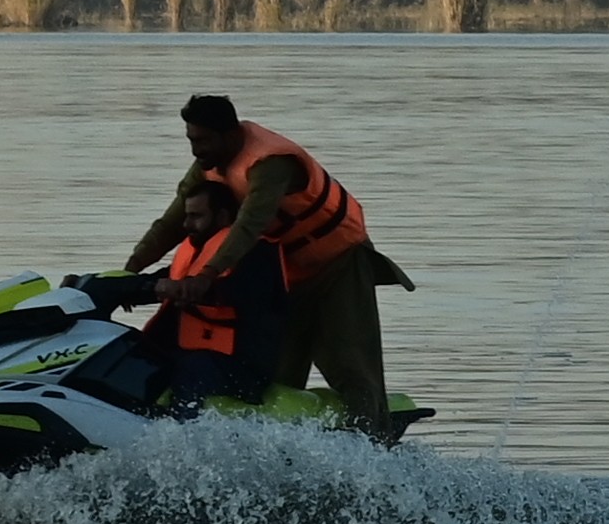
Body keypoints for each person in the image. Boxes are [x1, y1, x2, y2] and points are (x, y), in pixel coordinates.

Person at [114, 91, 413, 433]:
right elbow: (169, 224)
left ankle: (374, 443)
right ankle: (282, 459)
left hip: (338, 264)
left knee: (350, 365)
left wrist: (208, 274)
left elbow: (249, 226)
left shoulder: (270, 163)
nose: (196, 150)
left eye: (202, 140)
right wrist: (126, 274)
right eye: (191, 141)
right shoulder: (207, 166)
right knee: (279, 373)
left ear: (230, 134)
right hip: (289, 278)